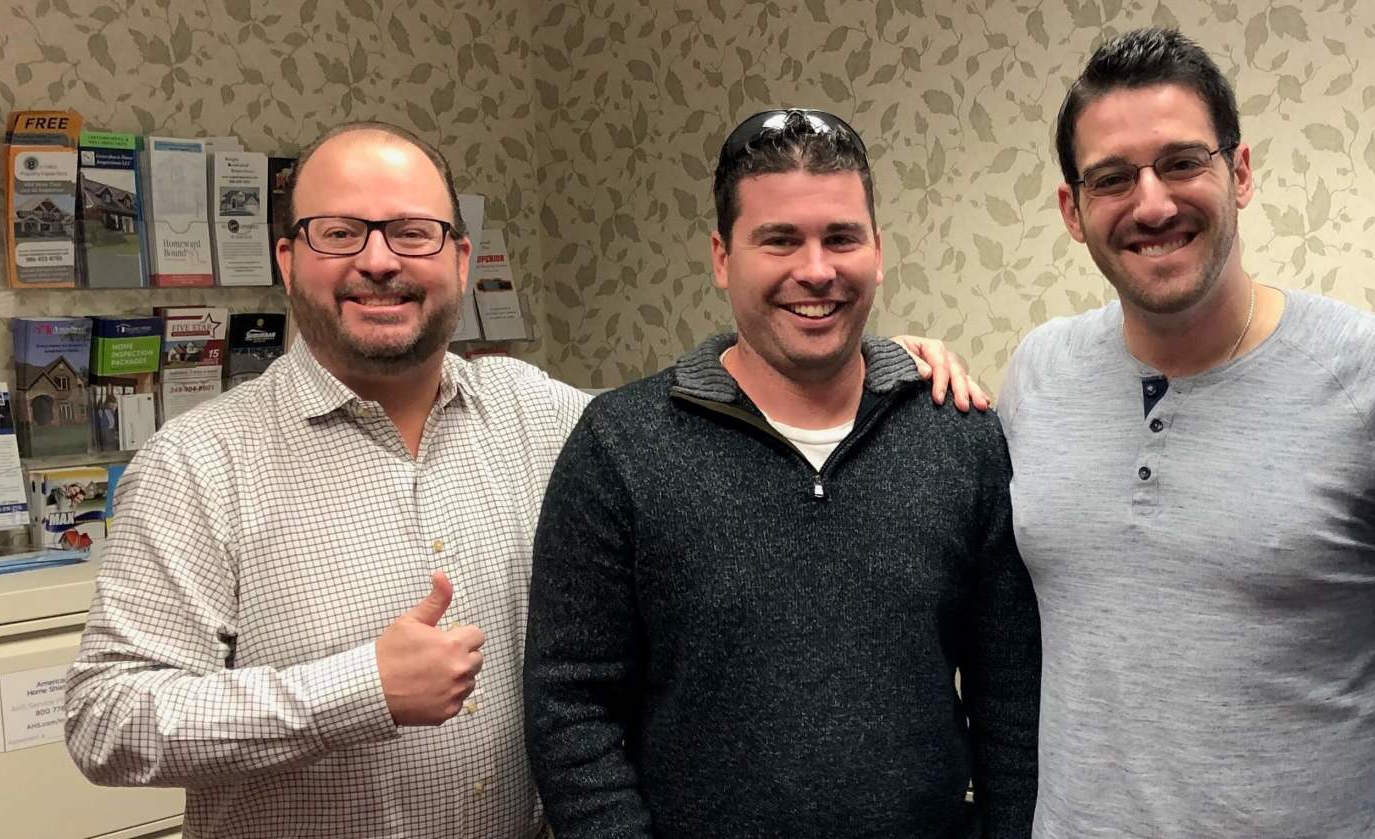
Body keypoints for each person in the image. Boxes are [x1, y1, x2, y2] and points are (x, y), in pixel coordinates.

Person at [993, 28, 1375, 837]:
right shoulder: (1035, 373)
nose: (1152, 202)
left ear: (1239, 172)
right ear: (1073, 210)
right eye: (1113, 178)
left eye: (1182, 162)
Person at [521, 108, 1041, 838]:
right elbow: (570, 705)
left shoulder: (960, 437)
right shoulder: (622, 447)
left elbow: (1010, 698)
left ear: (879, 251)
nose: (817, 270)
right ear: (721, 256)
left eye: (841, 237)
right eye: (780, 240)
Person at [61, 122, 589, 838]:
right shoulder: (198, 462)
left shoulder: (535, 412)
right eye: (340, 232)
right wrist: (358, 689)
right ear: (287, 260)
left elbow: (678, 447)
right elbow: (108, 717)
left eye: (412, 232)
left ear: (461, 260)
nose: (378, 260)